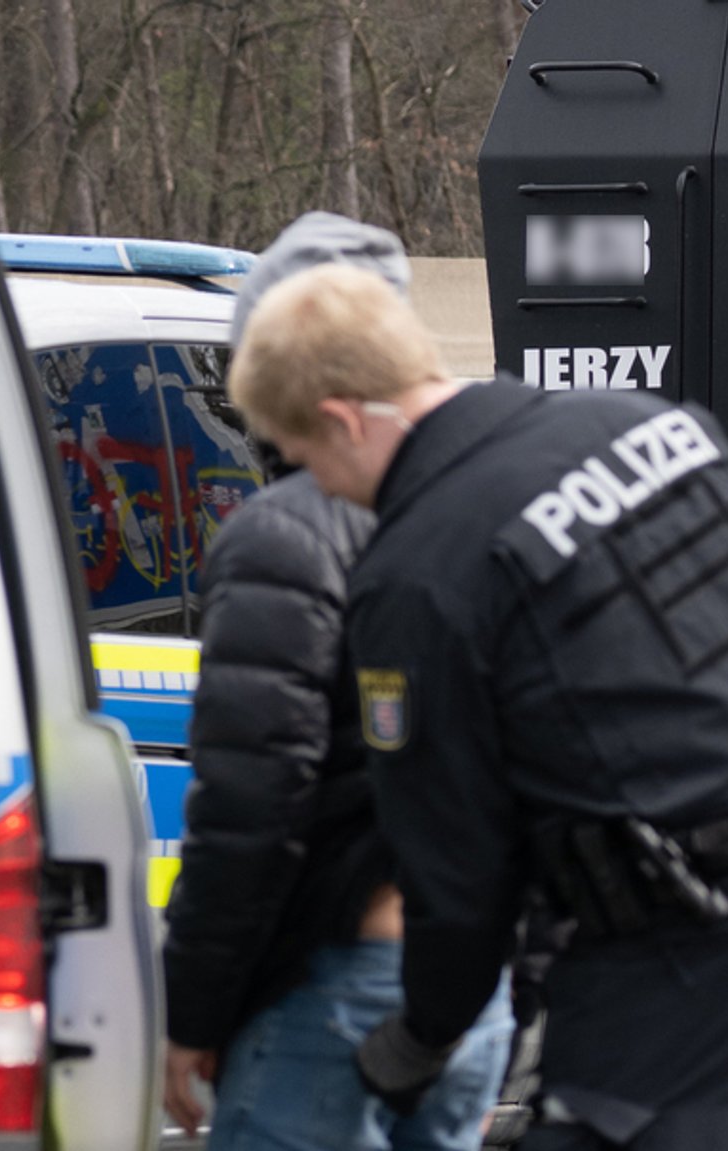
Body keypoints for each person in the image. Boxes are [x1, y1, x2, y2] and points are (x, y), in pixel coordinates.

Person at [225, 263, 728, 1151]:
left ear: (343, 419)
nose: (318, 487)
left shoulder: (415, 573)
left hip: (688, 947)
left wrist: (422, 1034)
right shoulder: (650, 425)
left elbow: (454, 867)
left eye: (303, 457)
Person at [161, 214, 514, 1151]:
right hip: (468, 986)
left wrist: (190, 1011)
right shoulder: (493, 501)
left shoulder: (285, 534)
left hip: (336, 987)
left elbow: (248, 812)